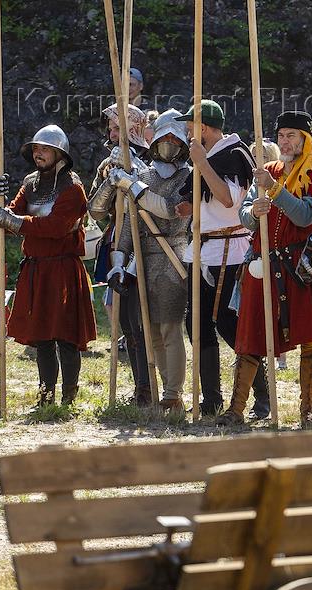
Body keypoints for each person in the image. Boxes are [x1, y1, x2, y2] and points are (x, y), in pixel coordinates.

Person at [223, 111, 312, 427]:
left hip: (300, 266)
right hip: (262, 264)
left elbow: (305, 216)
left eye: (292, 135)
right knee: (249, 337)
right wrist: (253, 212)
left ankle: (308, 410)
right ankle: (236, 409)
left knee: (311, 338)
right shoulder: (267, 172)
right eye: (282, 135)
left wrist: (274, 190)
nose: (285, 141)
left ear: (306, 139)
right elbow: (245, 213)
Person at [0, 125, 98, 408]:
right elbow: (12, 213)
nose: (38, 153)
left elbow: (55, 226)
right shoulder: (30, 183)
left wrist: (13, 221)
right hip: (36, 268)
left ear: (59, 152)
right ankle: (46, 395)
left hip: (63, 269)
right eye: (36, 149)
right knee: (42, 337)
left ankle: (69, 396)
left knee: (65, 336)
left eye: (45, 149)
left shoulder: (73, 189)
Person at [174, 98, 263, 417]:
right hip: (202, 248)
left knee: (229, 322)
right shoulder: (207, 156)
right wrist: (189, 206)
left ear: (207, 127)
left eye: (191, 126)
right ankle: (211, 398)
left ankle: (261, 392)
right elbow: (205, 199)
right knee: (195, 322)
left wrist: (201, 162)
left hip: (229, 249)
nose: (187, 132)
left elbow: (227, 201)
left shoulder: (234, 155)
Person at [106, 108, 193, 413]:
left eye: (174, 137)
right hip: (143, 260)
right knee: (151, 330)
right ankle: (163, 390)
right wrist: (118, 262)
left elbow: (171, 210)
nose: (169, 142)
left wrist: (132, 187)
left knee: (170, 328)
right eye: (164, 137)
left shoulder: (189, 176)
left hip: (173, 255)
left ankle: (173, 392)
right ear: (155, 140)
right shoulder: (142, 176)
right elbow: (130, 225)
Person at [87, 103, 151, 404]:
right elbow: (96, 210)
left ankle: (154, 387)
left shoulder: (154, 159)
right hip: (117, 241)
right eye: (111, 129)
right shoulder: (107, 164)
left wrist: (132, 173)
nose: (113, 135)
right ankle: (141, 387)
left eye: (118, 129)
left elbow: (152, 201)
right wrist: (112, 180)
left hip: (150, 243)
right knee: (126, 320)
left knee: (145, 320)